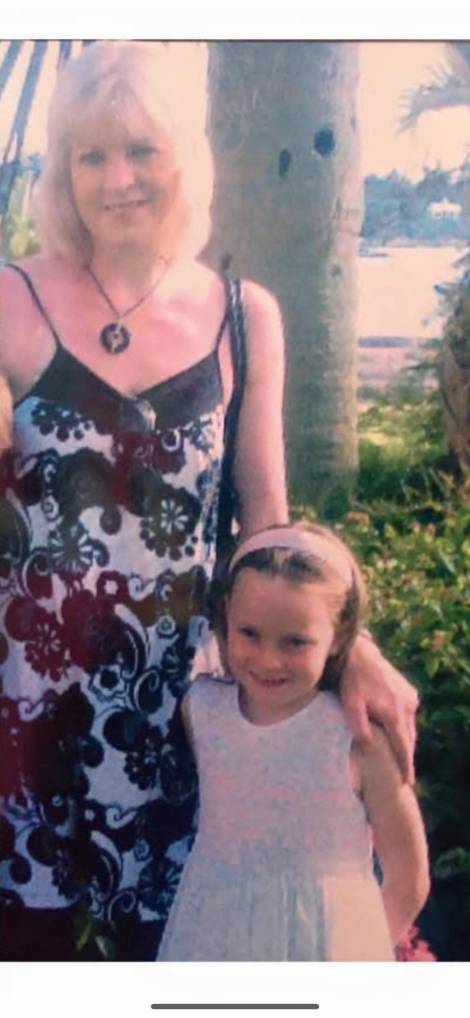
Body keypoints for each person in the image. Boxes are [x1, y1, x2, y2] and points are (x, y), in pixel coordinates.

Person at [0, 41, 417, 962]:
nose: (118, 179)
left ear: (184, 157)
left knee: (181, 952)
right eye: (92, 155)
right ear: (63, 171)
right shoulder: (10, 300)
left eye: (141, 150)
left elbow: (267, 523)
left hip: (187, 714)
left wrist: (354, 649)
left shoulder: (244, 314)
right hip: (31, 706)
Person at [157, 523, 430, 961]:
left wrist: (362, 957)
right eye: (250, 633)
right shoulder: (202, 711)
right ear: (226, 616)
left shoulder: (358, 738)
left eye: (296, 642)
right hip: (213, 939)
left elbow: (409, 878)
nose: (269, 660)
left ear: (339, 636)